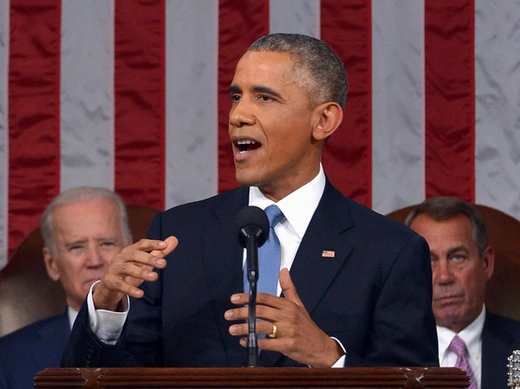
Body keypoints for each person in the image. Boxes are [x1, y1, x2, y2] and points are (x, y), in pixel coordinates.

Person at [62, 33, 438, 369]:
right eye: (236, 96)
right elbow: (113, 376)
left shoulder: (390, 252)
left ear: (324, 120)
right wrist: (106, 306)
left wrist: (327, 356)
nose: (238, 116)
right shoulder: (178, 235)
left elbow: (415, 382)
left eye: (264, 98)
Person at [0, 186, 131, 389]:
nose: (94, 260)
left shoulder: (167, 340)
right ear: (52, 264)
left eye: (106, 243)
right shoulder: (8, 356)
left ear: (128, 251)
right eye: (76, 246)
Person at [405, 196, 520, 389]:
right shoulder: (384, 355)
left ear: (486, 263)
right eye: (428, 260)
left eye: (458, 257)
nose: (444, 277)